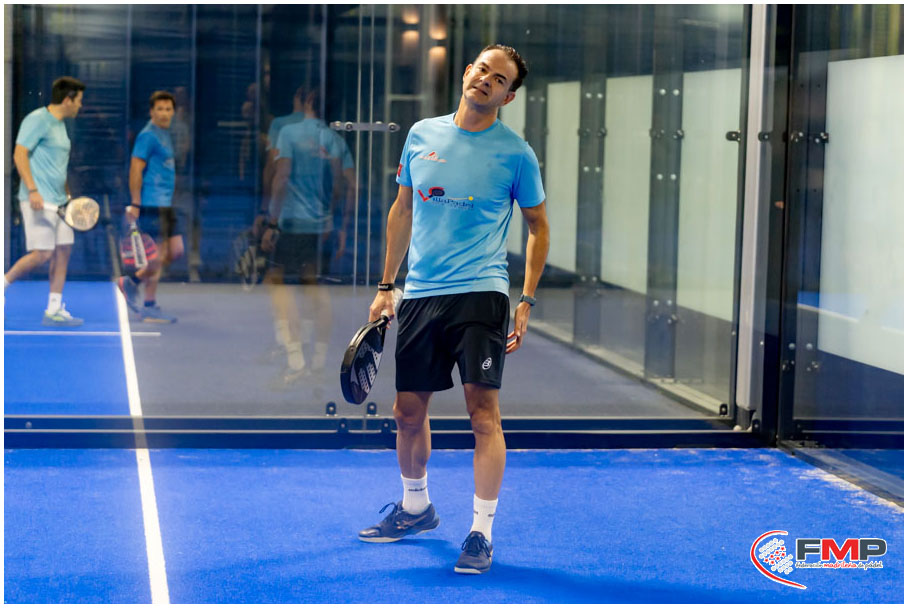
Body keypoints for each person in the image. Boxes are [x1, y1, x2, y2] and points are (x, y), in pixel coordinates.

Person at [357, 44, 550, 575]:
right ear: (467, 73)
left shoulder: (516, 154)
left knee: (482, 413)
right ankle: (416, 507)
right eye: (482, 70)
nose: (486, 80)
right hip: (421, 293)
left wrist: (526, 299)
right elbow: (402, 209)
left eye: (499, 79)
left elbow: (538, 227)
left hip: (482, 293)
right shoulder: (421, 135)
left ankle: (481, 533)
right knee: (406, 412)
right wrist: (386, 285)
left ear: (508, 97)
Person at [260, 88, 354, 385]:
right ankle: (318, 362)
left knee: (279, 286)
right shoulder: (335, 140)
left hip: (292, 226)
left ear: (309, 101)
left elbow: (281, 177)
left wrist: (271, 221)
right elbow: (346, 186)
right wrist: (339, 225)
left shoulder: (289, 132)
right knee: (316, 289)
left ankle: (296, 360)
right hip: (321, 228)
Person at [5, 76, 86, 326]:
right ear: (68, 99)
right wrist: (33, 190)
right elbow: (19, 154)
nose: (80, 105)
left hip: (60, 203)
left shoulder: (60, 126)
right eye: (79, 100)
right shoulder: (37, 119)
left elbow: (57, 167)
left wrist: (68, 197)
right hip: (38, 200)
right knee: (42, 254)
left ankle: (53, 309)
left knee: (63, 250)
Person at [118, 90, 184, 323]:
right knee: (156, 257)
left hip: (166, 204)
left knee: (176, 251)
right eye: (160, 109)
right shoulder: (147, 136)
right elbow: (135, 169)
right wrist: (135, 203)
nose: (164, 113)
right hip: (150, 203)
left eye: (168, 109)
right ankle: (149, 305)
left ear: (173, 111)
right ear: (151, 112)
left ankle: (132, 281)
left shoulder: (164, 134)